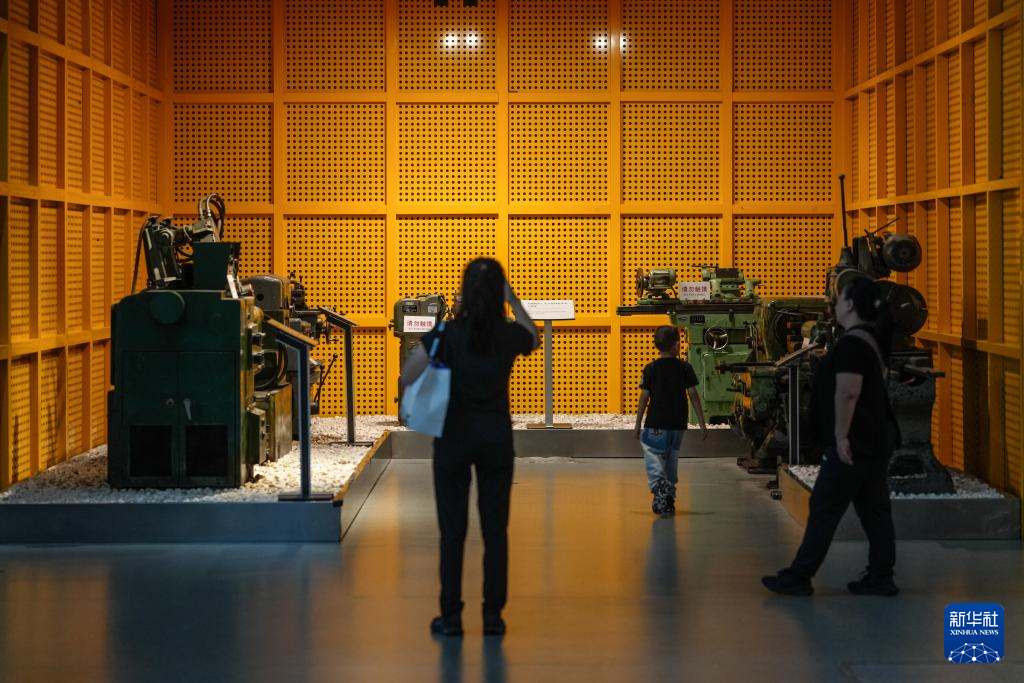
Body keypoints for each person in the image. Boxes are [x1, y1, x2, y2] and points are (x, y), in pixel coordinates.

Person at [400, 258, 539, 637]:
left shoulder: (447, 333)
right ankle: (492, 617)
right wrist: (514, 299)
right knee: (495, 531)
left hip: (453, 440)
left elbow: (408, 374)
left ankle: (451, 617)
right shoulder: (506, 334)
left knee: (452, 532)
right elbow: (533, 336)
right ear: (498, 293)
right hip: (496, 440)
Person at [762, 276, 900, 597]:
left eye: (838, 299)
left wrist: (840, 436)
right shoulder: (871, 339)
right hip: (873, 439)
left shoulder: (853, 345)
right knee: (874, 510)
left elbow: (848, 392)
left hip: (852, 443)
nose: (834, 305)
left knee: (825, 507)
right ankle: (882, 575)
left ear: (849, 305)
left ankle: (800, 575)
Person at [633, 326, 708, 516]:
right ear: (676, 345)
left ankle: (659, 487)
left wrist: (637, 423)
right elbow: (693, 395)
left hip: (656, 422)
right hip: (677, 423)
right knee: (672, 459)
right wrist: (702, 423)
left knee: (654, 456)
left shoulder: (651, 369)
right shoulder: (685, 368)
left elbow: (644, 397)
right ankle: (668, 499)